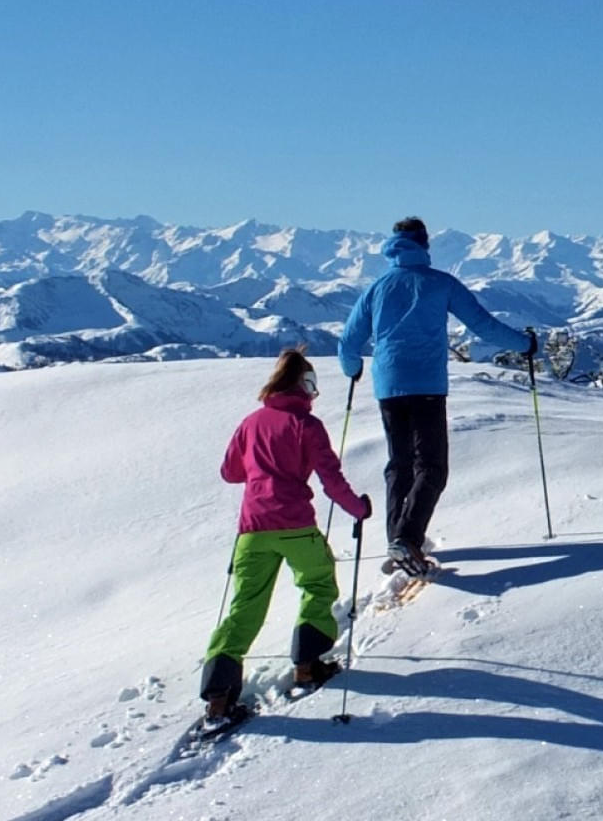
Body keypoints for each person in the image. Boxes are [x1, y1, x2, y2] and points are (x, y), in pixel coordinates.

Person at [338, 216, 537, 578]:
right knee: (431, 466)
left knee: (399, 464)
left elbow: (349, 342)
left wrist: (351, 368)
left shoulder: (378, 288)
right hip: (427, 386)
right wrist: (526, 344)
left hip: (389, 387)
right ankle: (408, 538)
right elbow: (483, 325)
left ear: (394, 245)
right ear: (424, 244)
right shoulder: (440, 283)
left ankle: (398, 539)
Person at [200, 348, 371, 725]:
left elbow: (230, 472)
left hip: (252, 530)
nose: (313, 392)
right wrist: (358, 509)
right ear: (301, 385)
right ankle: (307, 665)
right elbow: (331, 480)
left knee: (244, 608)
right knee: (319, 582)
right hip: (295, 523)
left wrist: (262, 467)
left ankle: (218, 695)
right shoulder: (308, 426)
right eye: (311, 384)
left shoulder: (250, 422)